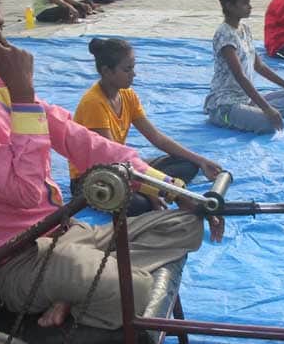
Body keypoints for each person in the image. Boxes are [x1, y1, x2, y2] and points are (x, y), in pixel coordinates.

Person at [0, 0, 218, 329]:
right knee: (135, 290)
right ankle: (82, 290)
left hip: (64, 234)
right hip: (17, 261)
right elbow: (25, 191)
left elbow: (79, 139)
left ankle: (74, 292)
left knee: (187, 224)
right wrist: (24, 97)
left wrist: (171, 187)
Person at [72, 38, 223, 215]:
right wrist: (151, 191)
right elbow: (110, 159)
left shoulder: (127, 95)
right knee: (142, 205)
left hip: (122, 168)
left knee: (188, 164)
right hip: (95, 177)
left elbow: (156, 137)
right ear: (107, 71)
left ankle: (148, 180)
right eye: (127, 69)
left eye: (133, 68)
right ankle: (146, 186)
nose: (133, 74)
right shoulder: (94, 104)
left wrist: (201, 160)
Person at [204, 0, 284, 134]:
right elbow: (240, 77)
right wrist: (267, 109)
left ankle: (251, 112)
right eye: (245, 3)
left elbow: (259, 66)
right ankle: (239, 115)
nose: (249, 7)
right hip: (225, 105)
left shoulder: (244, 29)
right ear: (230, 6)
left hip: (246, 99)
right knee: (269, 123)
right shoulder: (225, 35)